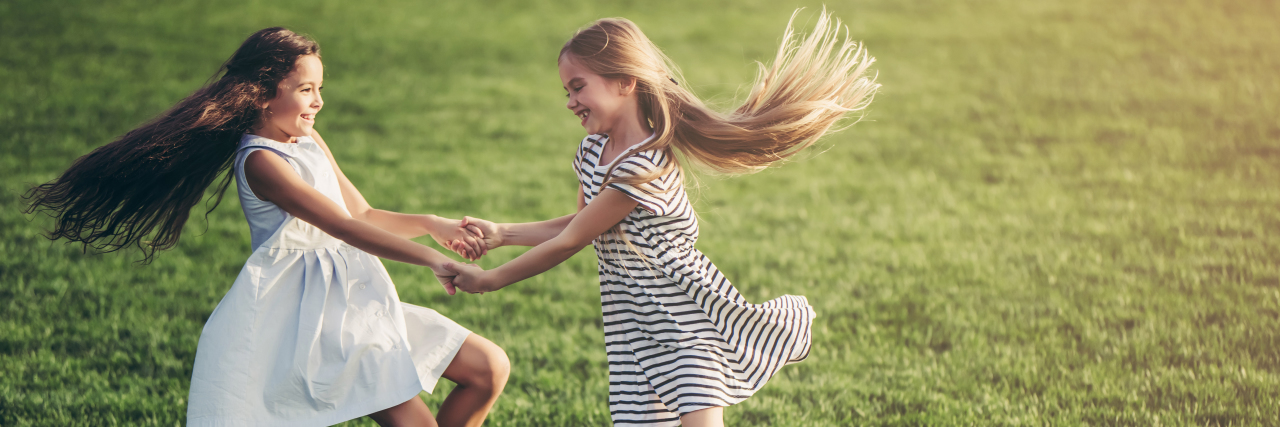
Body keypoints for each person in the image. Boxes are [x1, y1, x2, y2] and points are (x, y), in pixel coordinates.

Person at [24, 27, 507, 427]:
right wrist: (433, 260)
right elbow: (343, 227)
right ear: (260, 93)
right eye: (305, 90)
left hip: (356, 305)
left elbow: (362, 215)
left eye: (320, 88)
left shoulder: (307, 139)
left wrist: (433, 224)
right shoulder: (262, 162)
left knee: (488, 368)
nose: (318, 101)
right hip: (315, 323)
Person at [443, 10, 878, 427]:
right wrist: (501, 233)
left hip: (684, 318)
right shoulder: (592, 153)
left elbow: (571, 240)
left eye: (578, 87)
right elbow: (580, 225)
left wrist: (489, 280)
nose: (571, 102)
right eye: (566, 92)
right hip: (634, 326)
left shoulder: (644, 165)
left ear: (625, 82)